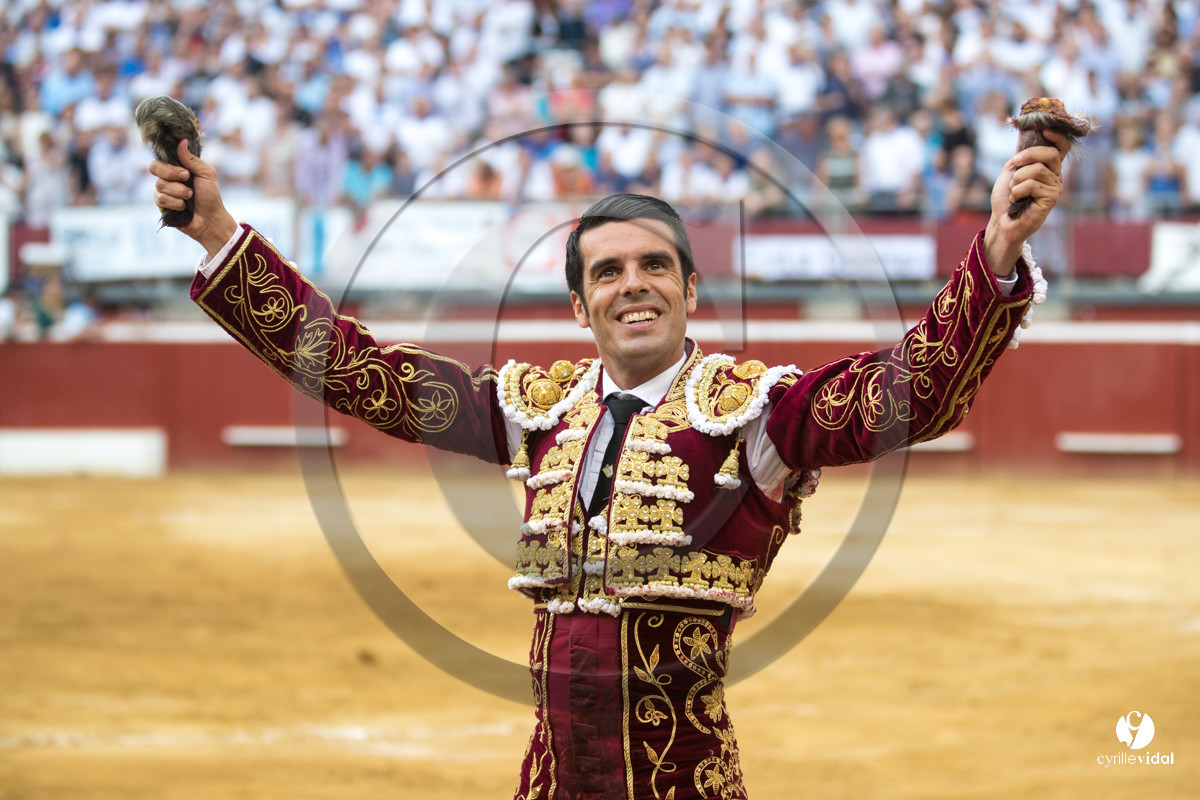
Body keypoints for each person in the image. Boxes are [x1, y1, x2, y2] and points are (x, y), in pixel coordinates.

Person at [150, 128, 1070, 799]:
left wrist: (994, 252)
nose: (633, 283)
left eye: (655, 265)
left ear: (690, 287)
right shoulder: (534, 411)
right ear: (580, 307)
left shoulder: (755, 415)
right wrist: (221, 237)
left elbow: (911, 392)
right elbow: (357, 373)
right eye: (607, 272)